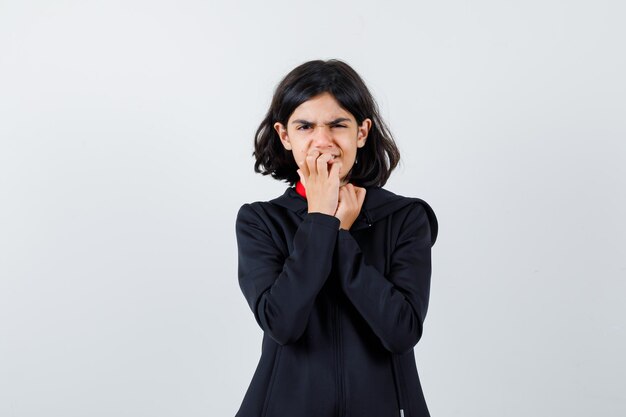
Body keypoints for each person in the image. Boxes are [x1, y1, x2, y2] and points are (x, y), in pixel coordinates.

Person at [235, 59, 438, 417]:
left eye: (338, 125)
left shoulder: (406, 217)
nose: (322, 140)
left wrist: (342, 235)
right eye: (305, 126)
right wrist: (319, 220)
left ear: (361, 133)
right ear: (285, 136)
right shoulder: (261, 220)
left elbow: (401, 332)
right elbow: (282, 323)